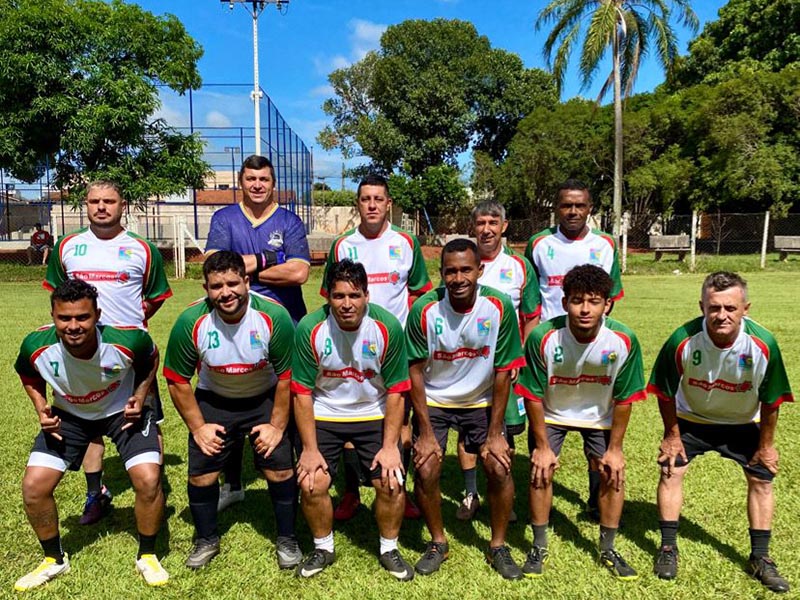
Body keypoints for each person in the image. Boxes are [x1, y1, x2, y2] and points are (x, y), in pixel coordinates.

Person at [13, 279, 167, 590]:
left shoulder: (127, 340)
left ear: (97, 315)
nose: (73, 326)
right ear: (53, 316)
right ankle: (53, 559)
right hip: (69, 417)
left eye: (82, 317)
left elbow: (151, 358)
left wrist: (140, 394)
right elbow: (28, 374)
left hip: (121, 413)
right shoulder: (35, 345)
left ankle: (148, 555)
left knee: (148, 479)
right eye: (64, 318)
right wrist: (42, 407)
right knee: (34, 487)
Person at [648, 271, 793, 594]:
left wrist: (766, 446)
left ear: (746, 308)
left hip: (743, 422)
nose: (721, 315)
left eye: (730, 308)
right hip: (692, 418)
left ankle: (761, 557)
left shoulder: (763, 345)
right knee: (671, 470)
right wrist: (672, 435)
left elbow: (772, 400)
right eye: (714, 308)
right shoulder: (681, 340)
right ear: (702, 306)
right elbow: (665, 391)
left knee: (762, 478)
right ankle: (668, 548)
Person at [44, 180, 172, 526]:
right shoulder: (68, 246)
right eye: (94, 201)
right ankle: (95, 494)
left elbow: (156, 295)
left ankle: (154, 488)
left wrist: (130, 332)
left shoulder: (142, 249)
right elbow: (59, 295)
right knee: (89, 423)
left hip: (131, 358)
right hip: (80, 355)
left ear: (123, 205)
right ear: (85, 205)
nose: (102, 207)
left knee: (145, 418)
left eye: (109, 201)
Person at [162, 251, 300, 570]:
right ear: (206, 289)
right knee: (203, 476)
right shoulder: (190, 321)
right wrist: (198, 428)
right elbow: (177, 380)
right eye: (216, 286)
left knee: (280, 470)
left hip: (264, 397)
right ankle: (206, 539)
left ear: (247, 282)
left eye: (233, 283)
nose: (226, 293)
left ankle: (288, 538)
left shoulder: (273, 317)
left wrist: (277, 427)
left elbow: (287, 378)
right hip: (215, 399)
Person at [516, 265, 645, 580]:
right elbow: (532, 394)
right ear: (564, 303)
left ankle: (608, 548)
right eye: (576, 301)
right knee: (540, 469)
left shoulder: (623, 340)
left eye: (594, 301)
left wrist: (615, 449)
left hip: (599, 416)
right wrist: (543, 446)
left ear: (607, 304)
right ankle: (539, 545)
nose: (585, 309)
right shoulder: (542, 337)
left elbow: (625, 398)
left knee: (612, 472)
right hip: (552, 413)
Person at [406, 238, 526, 580]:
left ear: (480, 270)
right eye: (450, 271)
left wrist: (495, 434)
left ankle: (498, 546)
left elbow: (504, 370)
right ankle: (438, 542)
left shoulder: (499, 306)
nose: (458, 278)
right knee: (426, 467)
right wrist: (426, 433)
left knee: (499, 466)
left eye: (465, 270)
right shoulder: (425, 310)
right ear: (441, 274)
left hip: (481, 400)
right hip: (435, 400)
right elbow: (414, 370)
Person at [292, 259, 414, 581]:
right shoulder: (310, 329)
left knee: (391, 481)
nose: (347, 304)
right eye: (338, 296)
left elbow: (397, 391)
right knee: (311, 481)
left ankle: (389, 548)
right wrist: (308, 448)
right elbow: (302, 393)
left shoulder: (387, 328)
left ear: (367, 296)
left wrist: (390, 447)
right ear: (328, 297)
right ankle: (323, 547)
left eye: (354, 295)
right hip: (324, 412)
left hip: (373, 411)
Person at [320, 173, 432, 521]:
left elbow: (419, 293)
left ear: (388, 204)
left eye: (378, 199)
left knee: (402, 424)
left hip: (394, 350)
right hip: (351, 344)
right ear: (359, 204)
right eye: (365, 198)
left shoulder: (406, 243)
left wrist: (409, 338)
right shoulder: (342, 245)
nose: (371, 205)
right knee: (351, 415)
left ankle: (400, 484)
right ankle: (351, 493)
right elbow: (330, 295)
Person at [205, 154, 311, 512]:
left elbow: (298, 274)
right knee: (232, 398)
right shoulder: (224, 219)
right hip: (233, 319)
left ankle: (293, 470)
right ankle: (232, 484)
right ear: (241, 181)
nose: (257, 185)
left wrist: (243, 269)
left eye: (264, 179)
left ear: (273, 183)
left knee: (290, 394)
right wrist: (270, 260)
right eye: (250, 178)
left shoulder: (289, 221)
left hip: (285, 321)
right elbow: (215, 269)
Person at [525, 179, 624, 521]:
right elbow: (531, 298)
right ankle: (542, 504)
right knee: (546, 420)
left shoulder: (607, 244)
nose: (573, 211)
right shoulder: (539, 243)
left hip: (593, 343)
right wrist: (531, 341)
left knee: (596, 422)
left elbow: (612, 298)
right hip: (551, 346)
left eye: (579, 205)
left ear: (590, 208)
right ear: (556, 207)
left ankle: (597, 502)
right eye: (566, 205)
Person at [455, 200, 540, 522]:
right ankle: (470, 494)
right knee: (467, 431)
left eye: (493, 222)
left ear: (504, 227)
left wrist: (520, 357)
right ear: (472, 227)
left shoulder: (519, 266)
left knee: (506, 432)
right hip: (468, 366)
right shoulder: (461, 262)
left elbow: (531, 316)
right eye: (481, 223)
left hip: (506, 367)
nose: (487, 229)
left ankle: (504, 496)